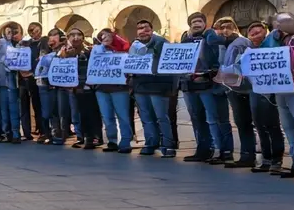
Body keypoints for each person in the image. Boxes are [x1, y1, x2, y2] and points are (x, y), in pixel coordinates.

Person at [180, 12, 232, 164]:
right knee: (197, 119)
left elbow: (220, 48)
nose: (196, 24)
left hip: (209, 85)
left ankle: (224, 151)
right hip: (190, 85)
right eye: (193, 22)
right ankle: (203, 149)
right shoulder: (186, 40)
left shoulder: (211, 36)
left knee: (215, 119)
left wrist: (210, 33)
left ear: (204, 23)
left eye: (199, 21)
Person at [210, 17, 256, 168]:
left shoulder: (240, 42)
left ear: (235, 28)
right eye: (220, 28)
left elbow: (242, 64)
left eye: (227, 27)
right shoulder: (224, 44)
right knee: (242, 122)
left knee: (248, 122)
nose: (224, 30)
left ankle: (250, 155)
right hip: (233, 87)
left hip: (245, 87)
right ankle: (246, 155)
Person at [130, 20, 176, 158]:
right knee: (146, 117)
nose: (142, 31)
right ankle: (151, 142)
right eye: (139, 28)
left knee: (162, 117)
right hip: (140, 86)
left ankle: (168, 145)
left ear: (151, 30)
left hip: (158, 86)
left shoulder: (162, 42)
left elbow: (170, 63)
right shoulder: (135, 45)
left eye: (145, 28)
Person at [244, 21, 285, 174]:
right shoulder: (248, 49)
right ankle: (266, 159)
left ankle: (277, 159)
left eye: (258, 32)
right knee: (260, 124)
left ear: (265, 32)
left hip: (272, 89)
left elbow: (278, 33)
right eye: (252, 33)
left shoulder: (272, 40)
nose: (255, 36)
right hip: (256, 90)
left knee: (273, 125)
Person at [265, 12, 294, 179]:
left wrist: (291, 74)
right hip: (281, 88)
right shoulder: (278, 40)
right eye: (277, 24)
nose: (279, 26)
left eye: (283, 22)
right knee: (288, 126)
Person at [92, 28, 134, 153]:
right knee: (107, 116)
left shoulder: (123, 49)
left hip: (119, 88)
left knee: (123, 116)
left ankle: (126, 141)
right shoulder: (97, 50)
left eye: (107, 36)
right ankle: (112, 141)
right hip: (102, 88)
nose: (105, 38)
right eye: (102, 36)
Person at [34, 29, 65, 145]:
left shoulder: (64, 48)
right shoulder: (43, 46)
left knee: (57, 110)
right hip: (44, 83)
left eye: (55, 36)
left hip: (58, 84)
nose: (52, 39)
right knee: (46, 110)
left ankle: (57, 133)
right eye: (50, 36)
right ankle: (47, 133)